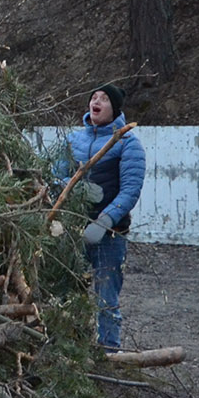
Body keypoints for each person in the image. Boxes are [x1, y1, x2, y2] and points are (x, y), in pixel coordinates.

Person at [59, 83, 147, 350]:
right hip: (71, 229)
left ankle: (109, 353)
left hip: (109, 235)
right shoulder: (74, 140)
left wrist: (104, 221)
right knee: (66, 293)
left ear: (115, 108)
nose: (96, 101)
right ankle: (69, 350)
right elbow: (54, 176)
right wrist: (75, 187)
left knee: (106, 299)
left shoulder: (128, 143)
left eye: (104, 99)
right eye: (93, 97)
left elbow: (130, 190)